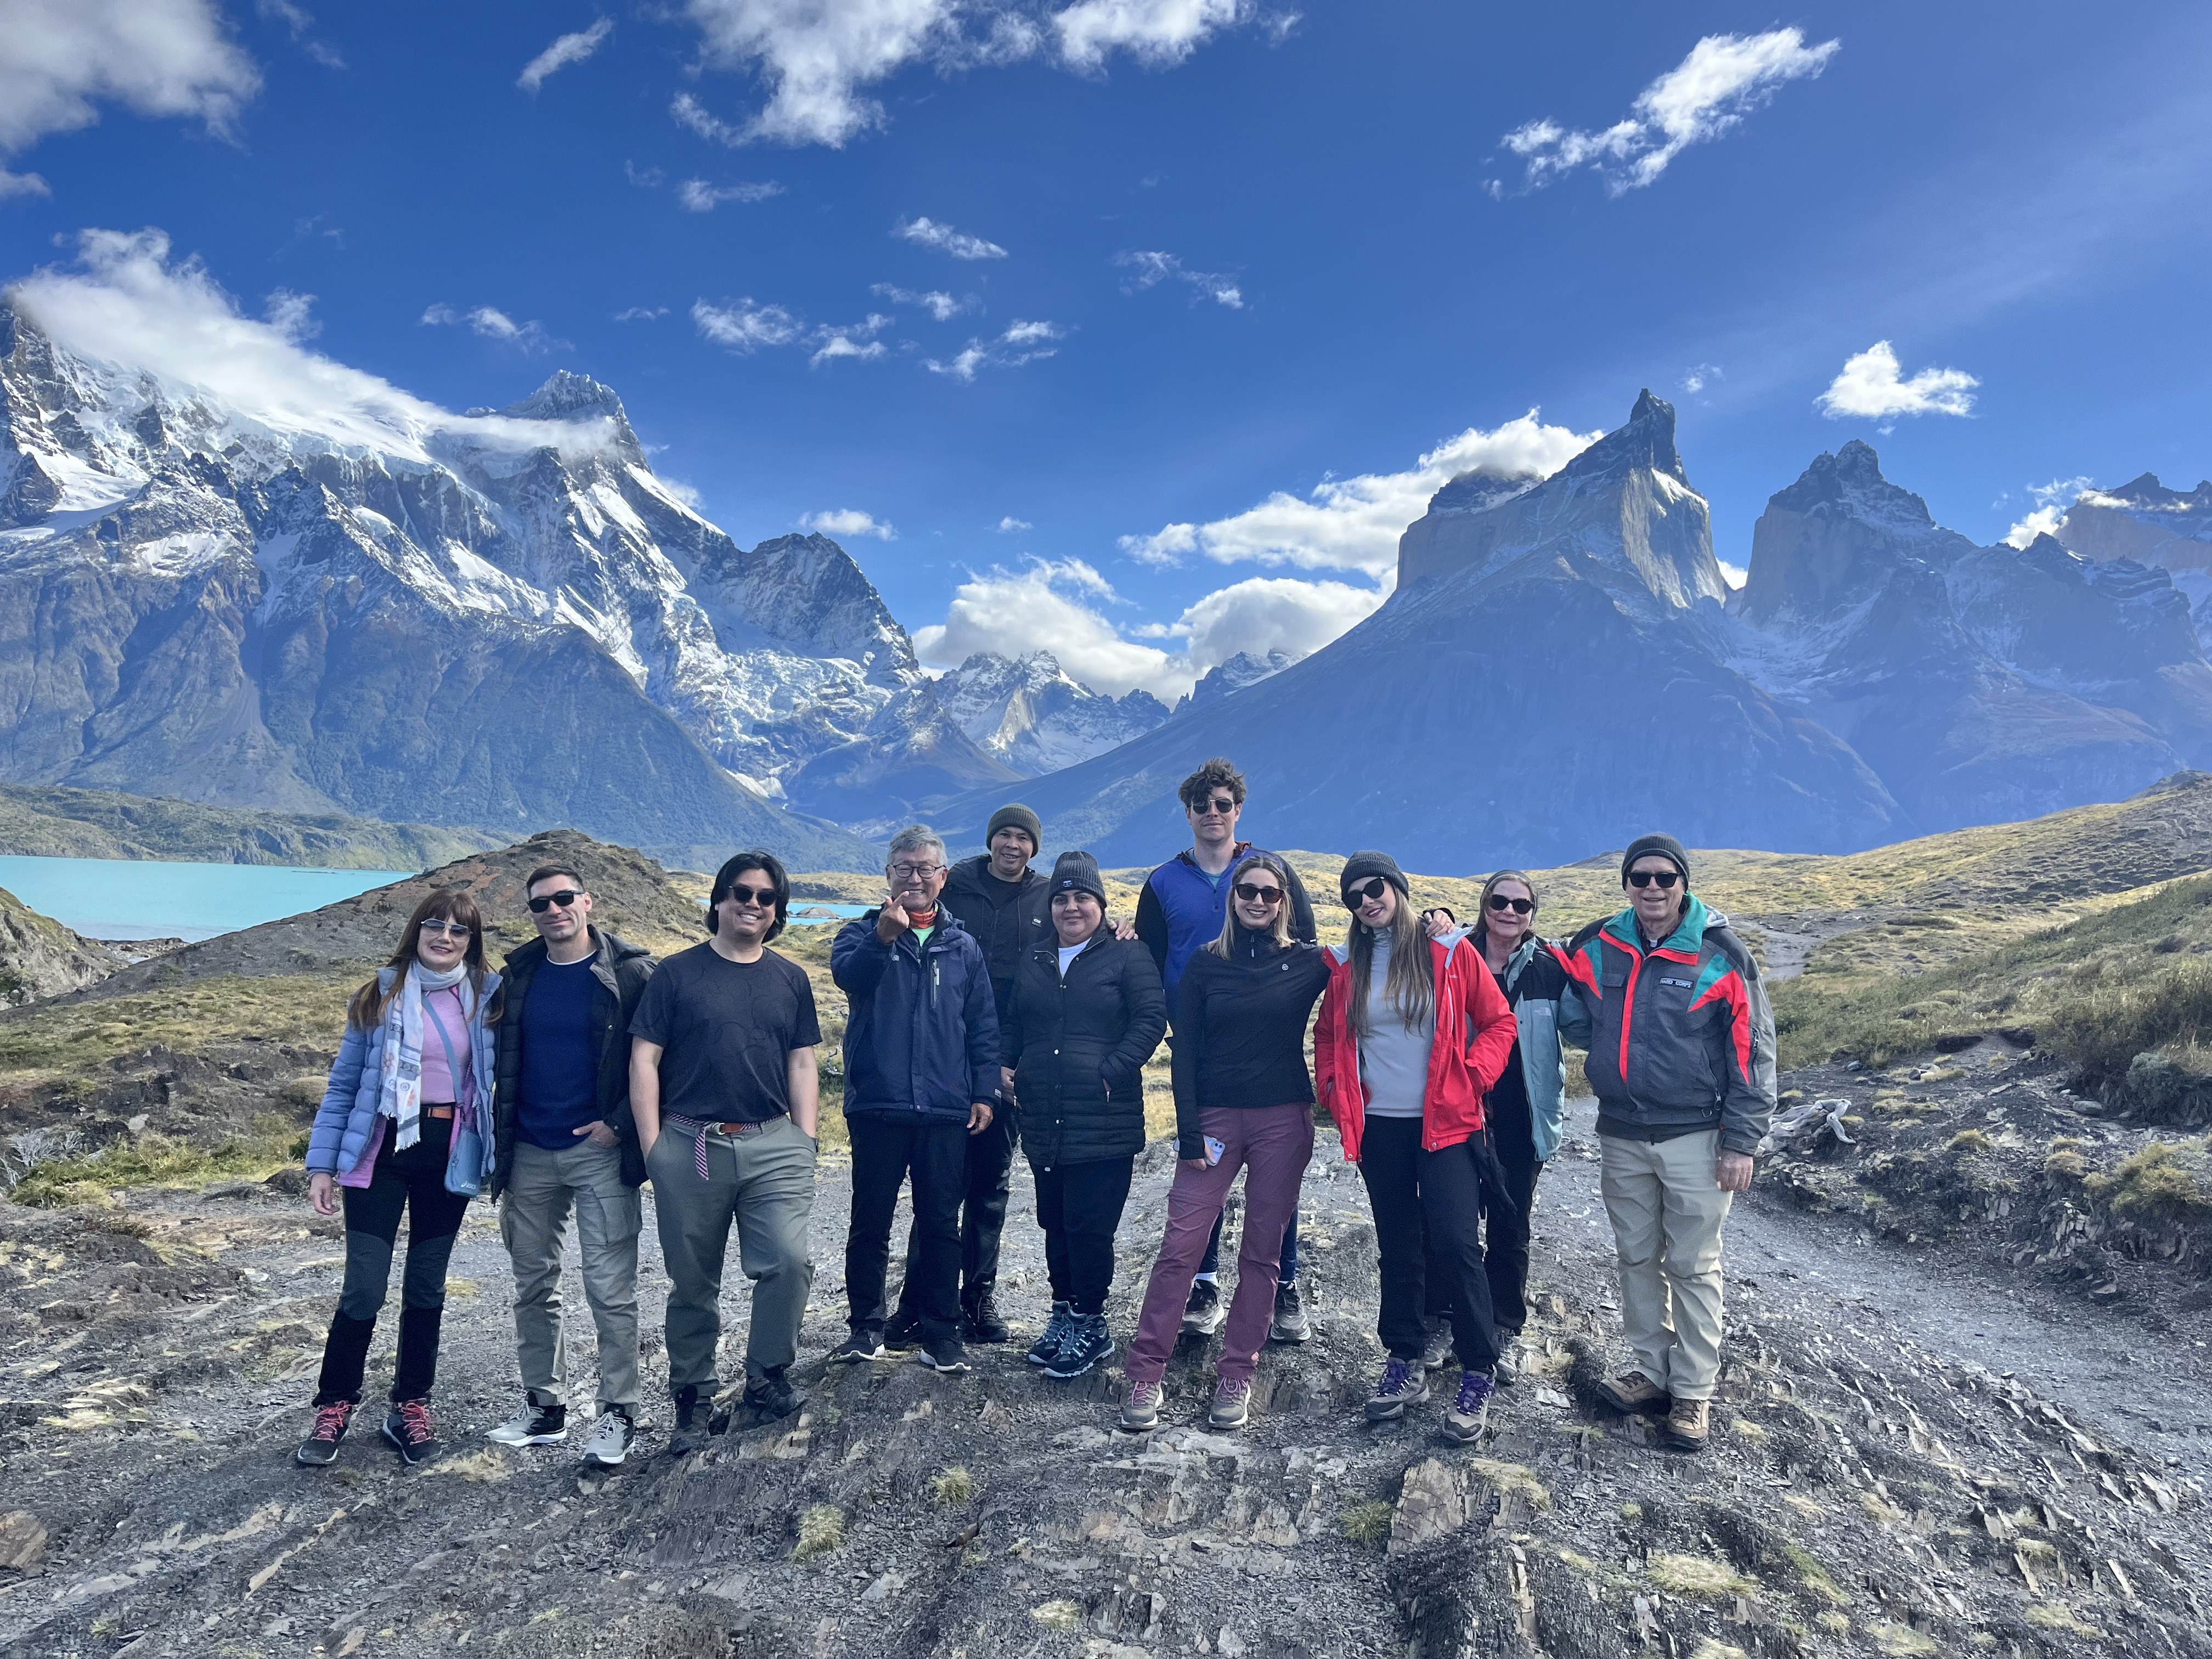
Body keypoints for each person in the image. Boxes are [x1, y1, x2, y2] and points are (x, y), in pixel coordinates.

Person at [1555, 833, 1776, 1454]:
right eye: (1640, 878)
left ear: (1684, 882)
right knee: (1635, 1257)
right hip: (1622, 1132)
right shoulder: (1602, 944)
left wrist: (1743, 1141)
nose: (1652, 889)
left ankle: (1693, 1391)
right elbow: (1570, 1003)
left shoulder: (1722, 953)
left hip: (1697, 1136)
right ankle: (1652, 1373)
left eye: (1664, 878)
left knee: (1694, 1263)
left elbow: (1753, 1055)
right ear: (1626, 883)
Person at [1120, 852, 1328, 1434]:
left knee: (1263, 1252)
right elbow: (1183, 1051)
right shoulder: (1206, 966)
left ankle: (1238, 1371)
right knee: (1180, 1248)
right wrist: (1189, 1132)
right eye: (1247, 892)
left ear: (1286, 902)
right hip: (1213, 1119)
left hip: (1284, 1120)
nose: (1257, 901)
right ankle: (1146, 1371)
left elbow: (1382, 952)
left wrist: (1438, 920)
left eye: (1269, 893)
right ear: (1233, 898)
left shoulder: (1309, 964)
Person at [1314, 853, 1517, 1442]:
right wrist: (1330, 1087)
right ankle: (1404, 1358)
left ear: (1398, 888)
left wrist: (1472, 1075)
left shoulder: (1449, 953)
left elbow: (1499, 1022)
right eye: (1353, 896)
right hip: (1380, 1128)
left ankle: (1478, 1367)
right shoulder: (1346, 965)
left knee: (1457, 1243)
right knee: (1397, 1245)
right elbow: (1329, 1036)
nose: (1365, 902)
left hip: (1447, 1123)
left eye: (1374, 888)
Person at [297, 892, 500, 1468]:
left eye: (460, 931)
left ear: (472, 942)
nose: (446, 937)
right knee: (364, 1286)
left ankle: (410, 1404)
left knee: (427, 1287)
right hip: (379, 1153)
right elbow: (342, 1087)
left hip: (448, 1155)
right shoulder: (378, 995)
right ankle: (334, 1405)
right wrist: (321, 1165)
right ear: (416, 931)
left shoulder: (489, 997)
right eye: (435, 926)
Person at [630, 851, 821, 1453]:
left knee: (788, 1262)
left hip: (773, 1142)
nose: (753, 904)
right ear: (718, 899)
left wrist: (806, 1139)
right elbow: (645, 1059)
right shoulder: (676, 975)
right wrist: (654, 1148)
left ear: (777, 912)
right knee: (692, 1283)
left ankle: (767, 1378)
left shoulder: (790, 978)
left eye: (767, 898)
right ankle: (693, 1401)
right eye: (742, 892)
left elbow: (801, 1060)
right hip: (690, 1145)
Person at [1133, 758, 1318, 1345]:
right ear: (1187, 812)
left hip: (1265, 1042)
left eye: (1223, 804)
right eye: (1202, 804)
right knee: (1202, 1167)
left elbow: (1308, 943)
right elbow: (1149, 954)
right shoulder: (1163, 881)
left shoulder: (1268, 870)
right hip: (1198, 1039)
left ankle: (1283, 1285)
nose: (1213, 813)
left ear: (1239, 810)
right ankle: (1206, 1285)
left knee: (1274, 1180)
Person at [486, 862, 657, 1468]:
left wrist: (620, 1122)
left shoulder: (632, 972)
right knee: (533, 1285)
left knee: (610, 1289)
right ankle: (544, 1407)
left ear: (588, 901)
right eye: (541, 904)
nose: (554, 911)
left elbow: (660, 1057)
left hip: (600, 1152)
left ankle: (619, 1412)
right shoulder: (518, 975)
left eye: (564, 899)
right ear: (531, 913)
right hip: (528, 1151)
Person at [831, 826, 1001, 1376]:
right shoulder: (859, 935)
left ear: (943, 877)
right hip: (878, 1105)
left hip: (946, 1109)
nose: (916, 878)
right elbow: (850, 979)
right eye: (904, 868)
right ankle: (865, 1329)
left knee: (940, 1226)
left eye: (927, 868)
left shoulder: (963, 947)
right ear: (888, 875)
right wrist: (883, 938)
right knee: (870, 1221)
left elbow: (982, 1027)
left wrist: (984, 1092)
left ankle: (941, 1334)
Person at [1003, 851, 1168, 1379]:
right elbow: (1014, 1022)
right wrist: (1007, 1068)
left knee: (1089, 1226)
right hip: (1043, 1114)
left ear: (1099, 904)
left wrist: (1110, 1071)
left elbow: (1151, 1018)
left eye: (1082, 898)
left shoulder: (1127, 955)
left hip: (1103, 1119)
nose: (1071, 907)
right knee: (1054, 1221)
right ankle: (1061, 1314)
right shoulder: (1036, 958)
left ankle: (1091, 1324)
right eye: (1062, 898)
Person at [909, 803, 1048, 1345]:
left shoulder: (1045, 893)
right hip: (946, 1055)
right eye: (1004, 836)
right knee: (938, 1185)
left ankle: (979, 1298)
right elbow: (912, 908)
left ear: (1034, 846)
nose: (1012, 845)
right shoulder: (956, 881)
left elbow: (1083, 931)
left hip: (1007, 1058)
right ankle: (920, 1300)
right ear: (992, 840)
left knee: (990, 1183)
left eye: (1023, 838)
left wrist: (1123, 928)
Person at [1464, 871, 1574, 1352]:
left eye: (1521, 905)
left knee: (1512, 1224)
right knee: (1456, 1223)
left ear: (1533, 913)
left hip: (1524, 1114)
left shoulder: (1549, 968)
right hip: (1461, 1110)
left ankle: (1505, 1323)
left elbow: (1583, 1026)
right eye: (1500, 901)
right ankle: (1457, 1318)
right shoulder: (1453, 957)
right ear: (1485, 904)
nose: (1509, 911)